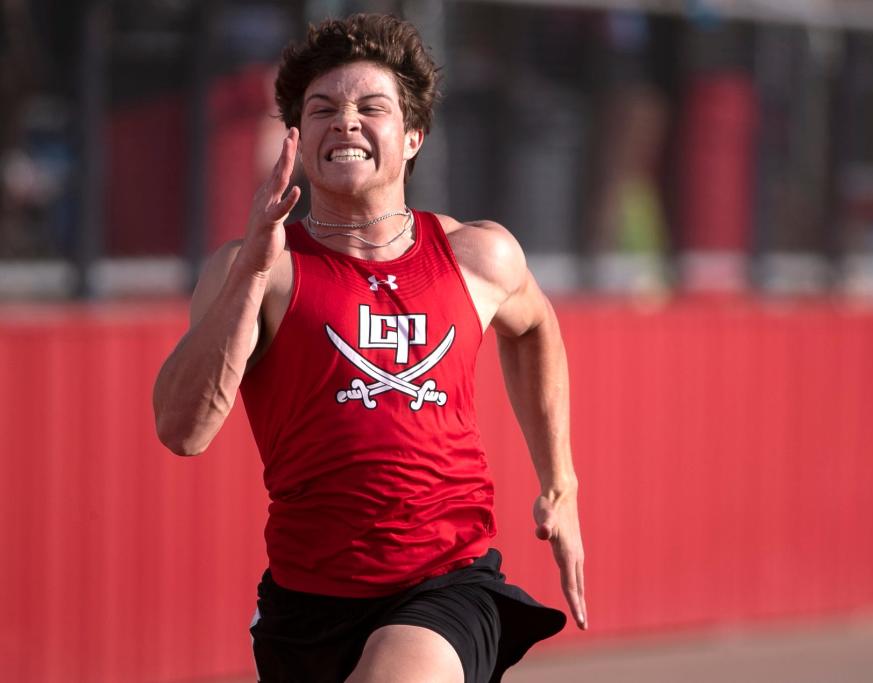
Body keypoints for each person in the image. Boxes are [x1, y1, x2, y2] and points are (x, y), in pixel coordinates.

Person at [153, 13, 586, 683]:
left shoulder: (477, 255)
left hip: (445, 584)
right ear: (296, 138)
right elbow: (183, 430)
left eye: (370, 108)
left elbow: (535, 328)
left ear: (413, 137)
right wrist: (250, 272)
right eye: (322, 108)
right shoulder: (256, 271)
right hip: (305, 606)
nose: (346, 121)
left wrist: (560, 483)